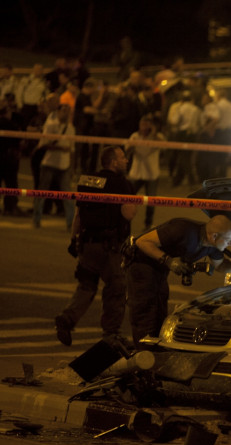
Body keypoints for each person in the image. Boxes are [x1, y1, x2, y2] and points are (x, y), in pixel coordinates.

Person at [54, 146, 137, 347]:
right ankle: (111, 334)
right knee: (116, 289)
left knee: (86, 286)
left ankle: (67, 319)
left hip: (87, 245)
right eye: (123, 158)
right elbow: (128, 214)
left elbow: (79, 214)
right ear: (113, 162)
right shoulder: (121, 183)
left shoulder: (87, 181)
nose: (126, 161)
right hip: (110, 249)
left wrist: (74, 240)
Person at [126, 215, 231, 347]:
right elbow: (142, 242)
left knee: (159, 310)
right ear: (214, 236)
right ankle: (142, 354)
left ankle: (154, 351)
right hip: (142, 264)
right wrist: (168, 261)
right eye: (228, 240)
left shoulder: (212, 245)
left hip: (159, 270)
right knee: (146, 311)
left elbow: (220, 266)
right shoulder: (182, 229)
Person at [32, 99, 76, 230]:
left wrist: (72, 167)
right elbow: (43, 144)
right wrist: (59, 149)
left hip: (64, 165)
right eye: (64, 111)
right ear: (58, 112)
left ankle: (70, 223)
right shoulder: (51, 125)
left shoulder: (71, 128)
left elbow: (72, 149)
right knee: (42, 193)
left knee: (68, 195)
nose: (67, 114)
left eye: (69, 112)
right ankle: (36, 219)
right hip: (49, 163)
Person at [127, 114, 166, 230]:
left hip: (151, 174)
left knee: (151, 201)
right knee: (128, 197)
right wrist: (132, 145)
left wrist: (153, 133)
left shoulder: (157, 137)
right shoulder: (134, 136)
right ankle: (126, 220)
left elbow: (164, 147)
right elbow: (127, 150)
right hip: (137, 173)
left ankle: (148, 224)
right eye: (142, 124)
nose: (143, 127)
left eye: (146, 124)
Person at [166, 90, 201, 186]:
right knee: (187, 157)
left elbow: (174, 121)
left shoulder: (180, 108)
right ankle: (178, 180)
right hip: (192, 135)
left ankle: (190, 179)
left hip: (182, 134)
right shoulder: (196, 109)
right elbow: (199, 123)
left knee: (183, 157)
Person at [0, 94, 23, 215]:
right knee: (11, 185)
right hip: (8, 159)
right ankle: (11, 207)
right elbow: (19, 141)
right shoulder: (11, 126)